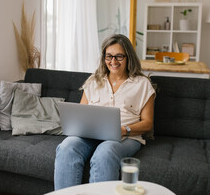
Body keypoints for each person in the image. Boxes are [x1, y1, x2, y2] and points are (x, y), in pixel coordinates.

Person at [54, 34, 155, 190]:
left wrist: (124, 130)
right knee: (67, 147)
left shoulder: (142, 84)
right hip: (91, 135)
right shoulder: (94, 81)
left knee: (104, 153)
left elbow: (148, 123)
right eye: (109, 56)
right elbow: (81, 112)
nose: (113, 62)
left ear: (128, 57)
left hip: (126, 136)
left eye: (119, 56)